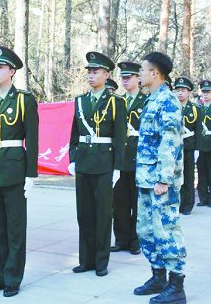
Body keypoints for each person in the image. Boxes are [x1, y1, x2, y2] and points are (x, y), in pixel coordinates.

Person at [0, 46, 38, 298]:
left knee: (14, 229)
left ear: (12, 71)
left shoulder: (24, 100)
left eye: (0, 67)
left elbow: (33, 139)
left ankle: (12, 277)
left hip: (14, 170)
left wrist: (31, 174)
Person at [134, 51, 187, 304]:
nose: (140, 74)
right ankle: (158, 276)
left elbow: (170, 141)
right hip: (146, 177)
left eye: (143, 70)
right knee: (145, 230)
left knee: (165, 230)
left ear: (155, 74)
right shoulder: (152, 99)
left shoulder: (168, 100)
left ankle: (176, 285)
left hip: (160, 181)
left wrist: (164, 178)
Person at [69, 51, 126, 277]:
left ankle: (101, 262)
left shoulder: (115, 102)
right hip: (83, 161)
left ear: (106, 74)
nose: (91, 76)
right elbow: (74, 133)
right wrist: (73, 157)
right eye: (89, 72)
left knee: (103, 214)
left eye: (96, 72)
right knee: (84, 213)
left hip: (104, 163)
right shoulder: (80, 101)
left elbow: (120, 136)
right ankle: (86, 260)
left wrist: (118, 167)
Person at [111, 61, 145, 255]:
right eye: (123, 77)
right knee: (119, 202)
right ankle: (121, 239)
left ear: (138, 78)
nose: (125, 81)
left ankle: (135, 240)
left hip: (139, 157)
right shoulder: (118, 102)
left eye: (129, 77)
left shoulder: (146, 101)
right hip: (120, 159)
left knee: (137, 202)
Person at [174, 77, 199, 215]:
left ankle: (188, 205)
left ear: (189, 92)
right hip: (174, 147)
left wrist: (197, 149)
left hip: (188, 146)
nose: (180, 93)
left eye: (183, 90)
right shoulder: (171, 106)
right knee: (175, 178)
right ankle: (176, 203)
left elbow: (199, 131)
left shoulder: (195, 109)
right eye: (177, 90)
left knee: (188, 177)